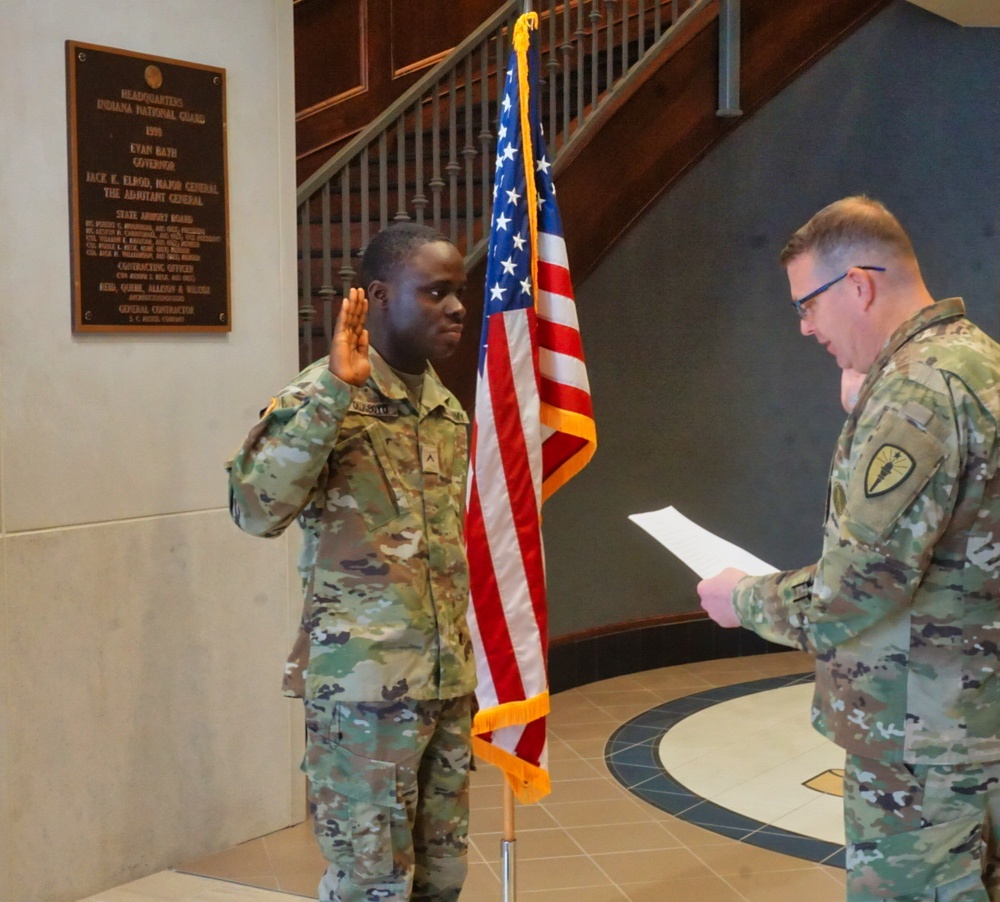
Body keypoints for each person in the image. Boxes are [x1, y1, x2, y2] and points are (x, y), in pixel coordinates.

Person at [698, 196, 1000, 901]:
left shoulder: (915, 393)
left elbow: (859, 585)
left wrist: (741, 597)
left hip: (923, 746)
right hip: (974, 725)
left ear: (859, 286)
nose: (805, 327)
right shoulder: (975, 362)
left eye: (808, 305)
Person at [227, 223, 477, 902]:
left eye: (459, 292)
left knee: (443, 879)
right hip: (364, 702)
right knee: (374, 887)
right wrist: (337, 392)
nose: (457, 308)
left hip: (444, 685)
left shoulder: (444, 408)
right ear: (378, 295)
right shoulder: (322, 398)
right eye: (436, 292)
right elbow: (254, 509)